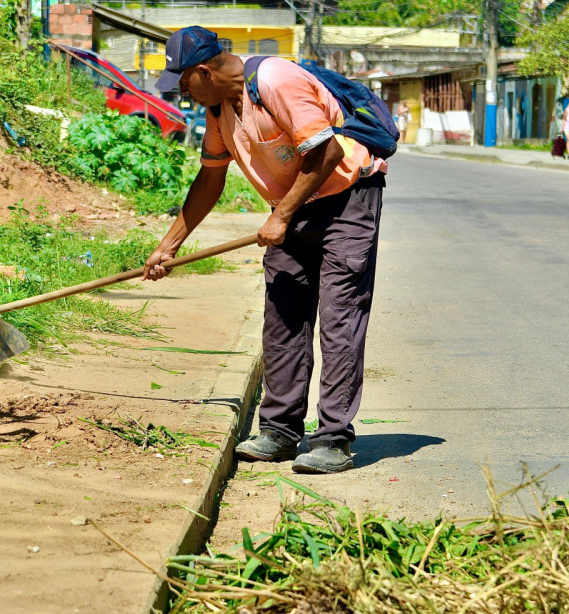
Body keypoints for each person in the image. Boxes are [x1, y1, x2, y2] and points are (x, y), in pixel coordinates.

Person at [142, 26, 387, 474]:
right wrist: (168, 246)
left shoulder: (274, 79)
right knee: (283, 320)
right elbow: (210, 179)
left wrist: (280, 216)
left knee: (339, 320)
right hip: (292, 208)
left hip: (347, 200)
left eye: (182, 84)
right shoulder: (220, 110)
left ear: (202, 72)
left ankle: (333, 439)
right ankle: (279, 430)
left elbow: (327, 152)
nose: (182, 94)